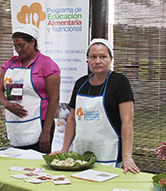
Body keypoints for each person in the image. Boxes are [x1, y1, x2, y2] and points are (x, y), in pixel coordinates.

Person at [56, 38, 140, 174]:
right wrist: (64, 150)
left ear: (111, 58)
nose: (97, 61)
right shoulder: (80, 83)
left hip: (109, 152)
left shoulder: (119, 82)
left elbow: (127, 121)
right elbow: (71, 120)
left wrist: (127, 157)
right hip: (81, 151)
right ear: (87, 60)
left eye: (103, 56)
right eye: (93, 57)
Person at [0, 24, 60, 153]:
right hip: (15, 124)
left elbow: (55, 99)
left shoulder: (47, 64)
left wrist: (46, 131)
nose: (18, 50)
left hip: (40, 123)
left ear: (33, 42)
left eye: (21, 45)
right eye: (15, 46)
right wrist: (6, 104)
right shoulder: (10, 63)